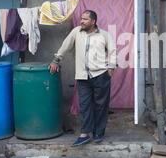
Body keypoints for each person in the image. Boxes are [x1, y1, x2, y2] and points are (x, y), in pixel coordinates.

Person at [49, 10, 117, 147]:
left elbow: (113, 51)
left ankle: (99, 132)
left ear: (93, 21)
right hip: (82, 76)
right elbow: (65, 45)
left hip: (101, 75)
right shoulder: (76, 32)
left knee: (101, 105)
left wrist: (111, 67)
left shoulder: (104, 35)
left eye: (85, 19)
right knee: (85, 105)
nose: (81, 21)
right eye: (81, 19)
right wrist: (56, 60)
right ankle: (84, 133)